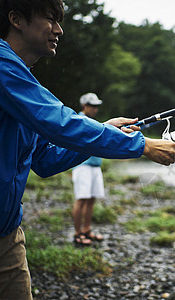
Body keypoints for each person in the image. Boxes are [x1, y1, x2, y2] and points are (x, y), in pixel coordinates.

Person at [0, 0, 175, 299]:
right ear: (16, 19)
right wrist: (140, 144)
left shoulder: (20, 81)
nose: (59, 29)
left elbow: (45, 159)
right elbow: (58, 121)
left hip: (6, 234)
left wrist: (106, 130)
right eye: (50, 19)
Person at [72, 93, 106, 246]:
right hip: (82, 166)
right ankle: (77, 234)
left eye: (97, 106)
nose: (95, 109)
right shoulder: (79, 120)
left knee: (92, 198)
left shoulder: (94, 122)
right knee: (82, 198)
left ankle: (87, 230)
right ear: (84, 106)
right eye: (92, 106)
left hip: (95, 165)